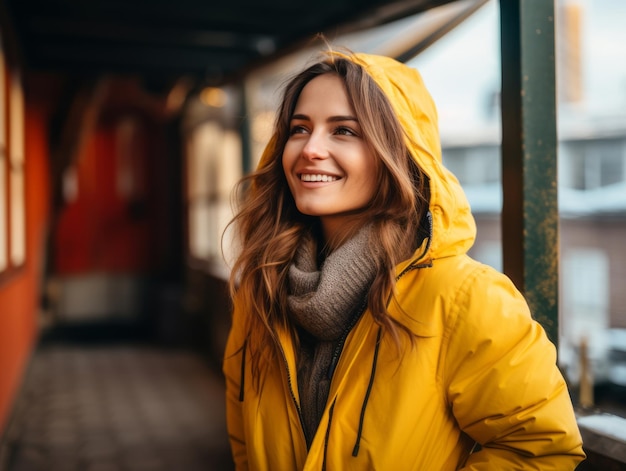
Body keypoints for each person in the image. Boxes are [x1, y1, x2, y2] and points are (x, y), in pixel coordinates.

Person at [223, 50, 585, 470]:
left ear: (398, 152)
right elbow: (244, 435)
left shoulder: (465, 299)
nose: (310, 149)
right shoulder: (263, 288)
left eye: (343, 131)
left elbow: (540, 448)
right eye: (299, 129)